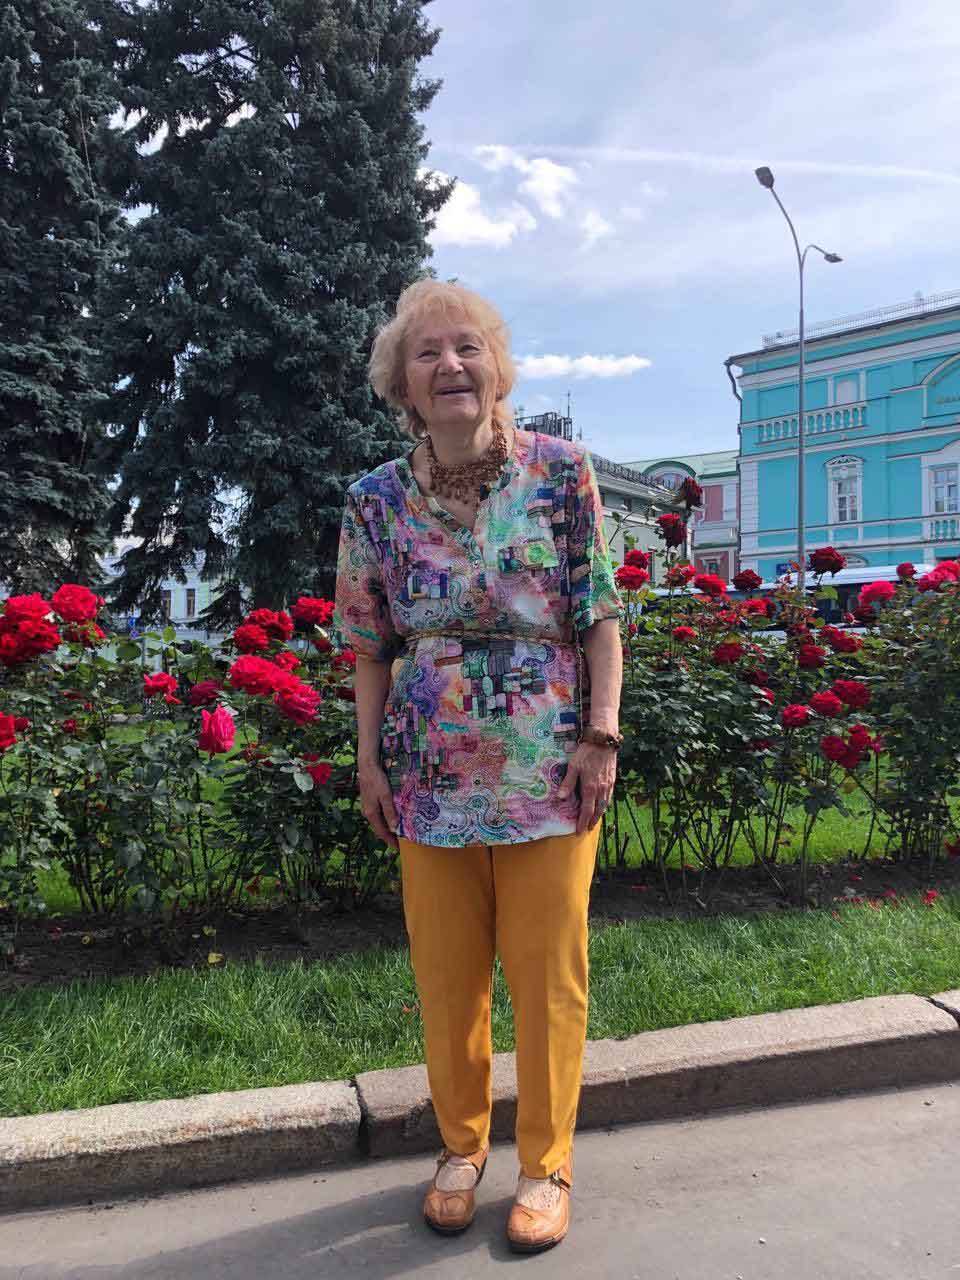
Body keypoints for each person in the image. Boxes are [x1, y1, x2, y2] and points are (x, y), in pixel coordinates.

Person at [334, 280, 623, 1253]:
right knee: (447, 976)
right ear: (402, 384)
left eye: (468, 348)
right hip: (427, 777)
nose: (450, 365)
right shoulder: (374, 500)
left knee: (547, 977)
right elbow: (369, 645)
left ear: (496, 368)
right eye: (427, 353)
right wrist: (369, 762)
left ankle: (546, 1164)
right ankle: (461, 1149)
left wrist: (602, 735)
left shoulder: (561, 472)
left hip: (549, 769)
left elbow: (599, 616)